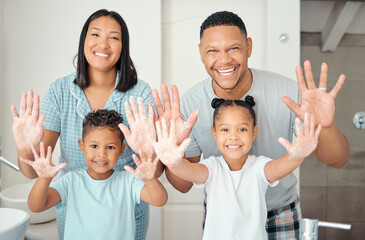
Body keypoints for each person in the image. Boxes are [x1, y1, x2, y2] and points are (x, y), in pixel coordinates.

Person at [152, 11, 349, 239]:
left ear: (249, 47)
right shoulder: (186, 106)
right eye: (213, 50)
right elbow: (184, 184)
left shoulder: (289, 93)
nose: (224, 60)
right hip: (223, 217)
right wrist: (173, 148)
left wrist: (324, 125)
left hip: (280, 213)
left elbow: (338, 160)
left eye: (233, 48)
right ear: (201, 53)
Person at [11, 9, 157, 240]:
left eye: (114, 37)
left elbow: (154, 171)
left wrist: (149, 150)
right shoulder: (60, 91)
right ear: (84, 41)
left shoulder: (140, 93)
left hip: (126, 216)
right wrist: (24, 150)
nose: (104, 44)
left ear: (123, 46)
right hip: (75, 216)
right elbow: (34, 172)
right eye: (96, 34)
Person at [152, 97, 321, 240]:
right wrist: (174, 162)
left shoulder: (258, 167)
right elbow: (190, 171)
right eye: (225, 129)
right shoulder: (212, 167)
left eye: (242, 129)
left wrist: (296, 156)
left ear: (254, 133)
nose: (233, 136)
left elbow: (278, 168)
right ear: (214, 133)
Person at [21, 109, 167, 240]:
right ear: (82, 146)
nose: (101, 154)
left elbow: (159, 200)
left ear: (121, 150)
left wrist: (150, 179)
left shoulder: (128, 181)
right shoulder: (71, 181)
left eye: (110, 147)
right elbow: (36, 206)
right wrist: (44, 179)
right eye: (94, 146)